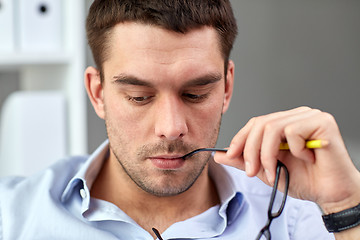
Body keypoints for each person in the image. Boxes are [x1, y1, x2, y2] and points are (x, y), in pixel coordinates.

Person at [1, 1, 359, 239]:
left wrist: (346, 205)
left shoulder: (301, 219)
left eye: (195, 94)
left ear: (227, 87)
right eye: (139, 97)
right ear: (97, 93)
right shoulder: (12, 217)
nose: (171, 128)